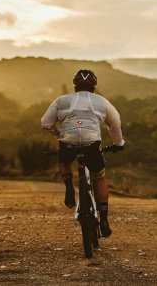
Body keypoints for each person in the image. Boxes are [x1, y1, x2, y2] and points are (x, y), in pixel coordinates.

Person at [41, 69, 125, 237]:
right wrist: (118, 143)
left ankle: (69, 186)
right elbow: (114, 123)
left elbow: (45, 123)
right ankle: (104, 220)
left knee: (64, 161)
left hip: (68, 142)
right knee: (99, 176)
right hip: (92, 143)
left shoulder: (61, 100)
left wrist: (59, 135)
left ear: (75, 85)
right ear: (94, 86)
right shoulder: (103, 102)